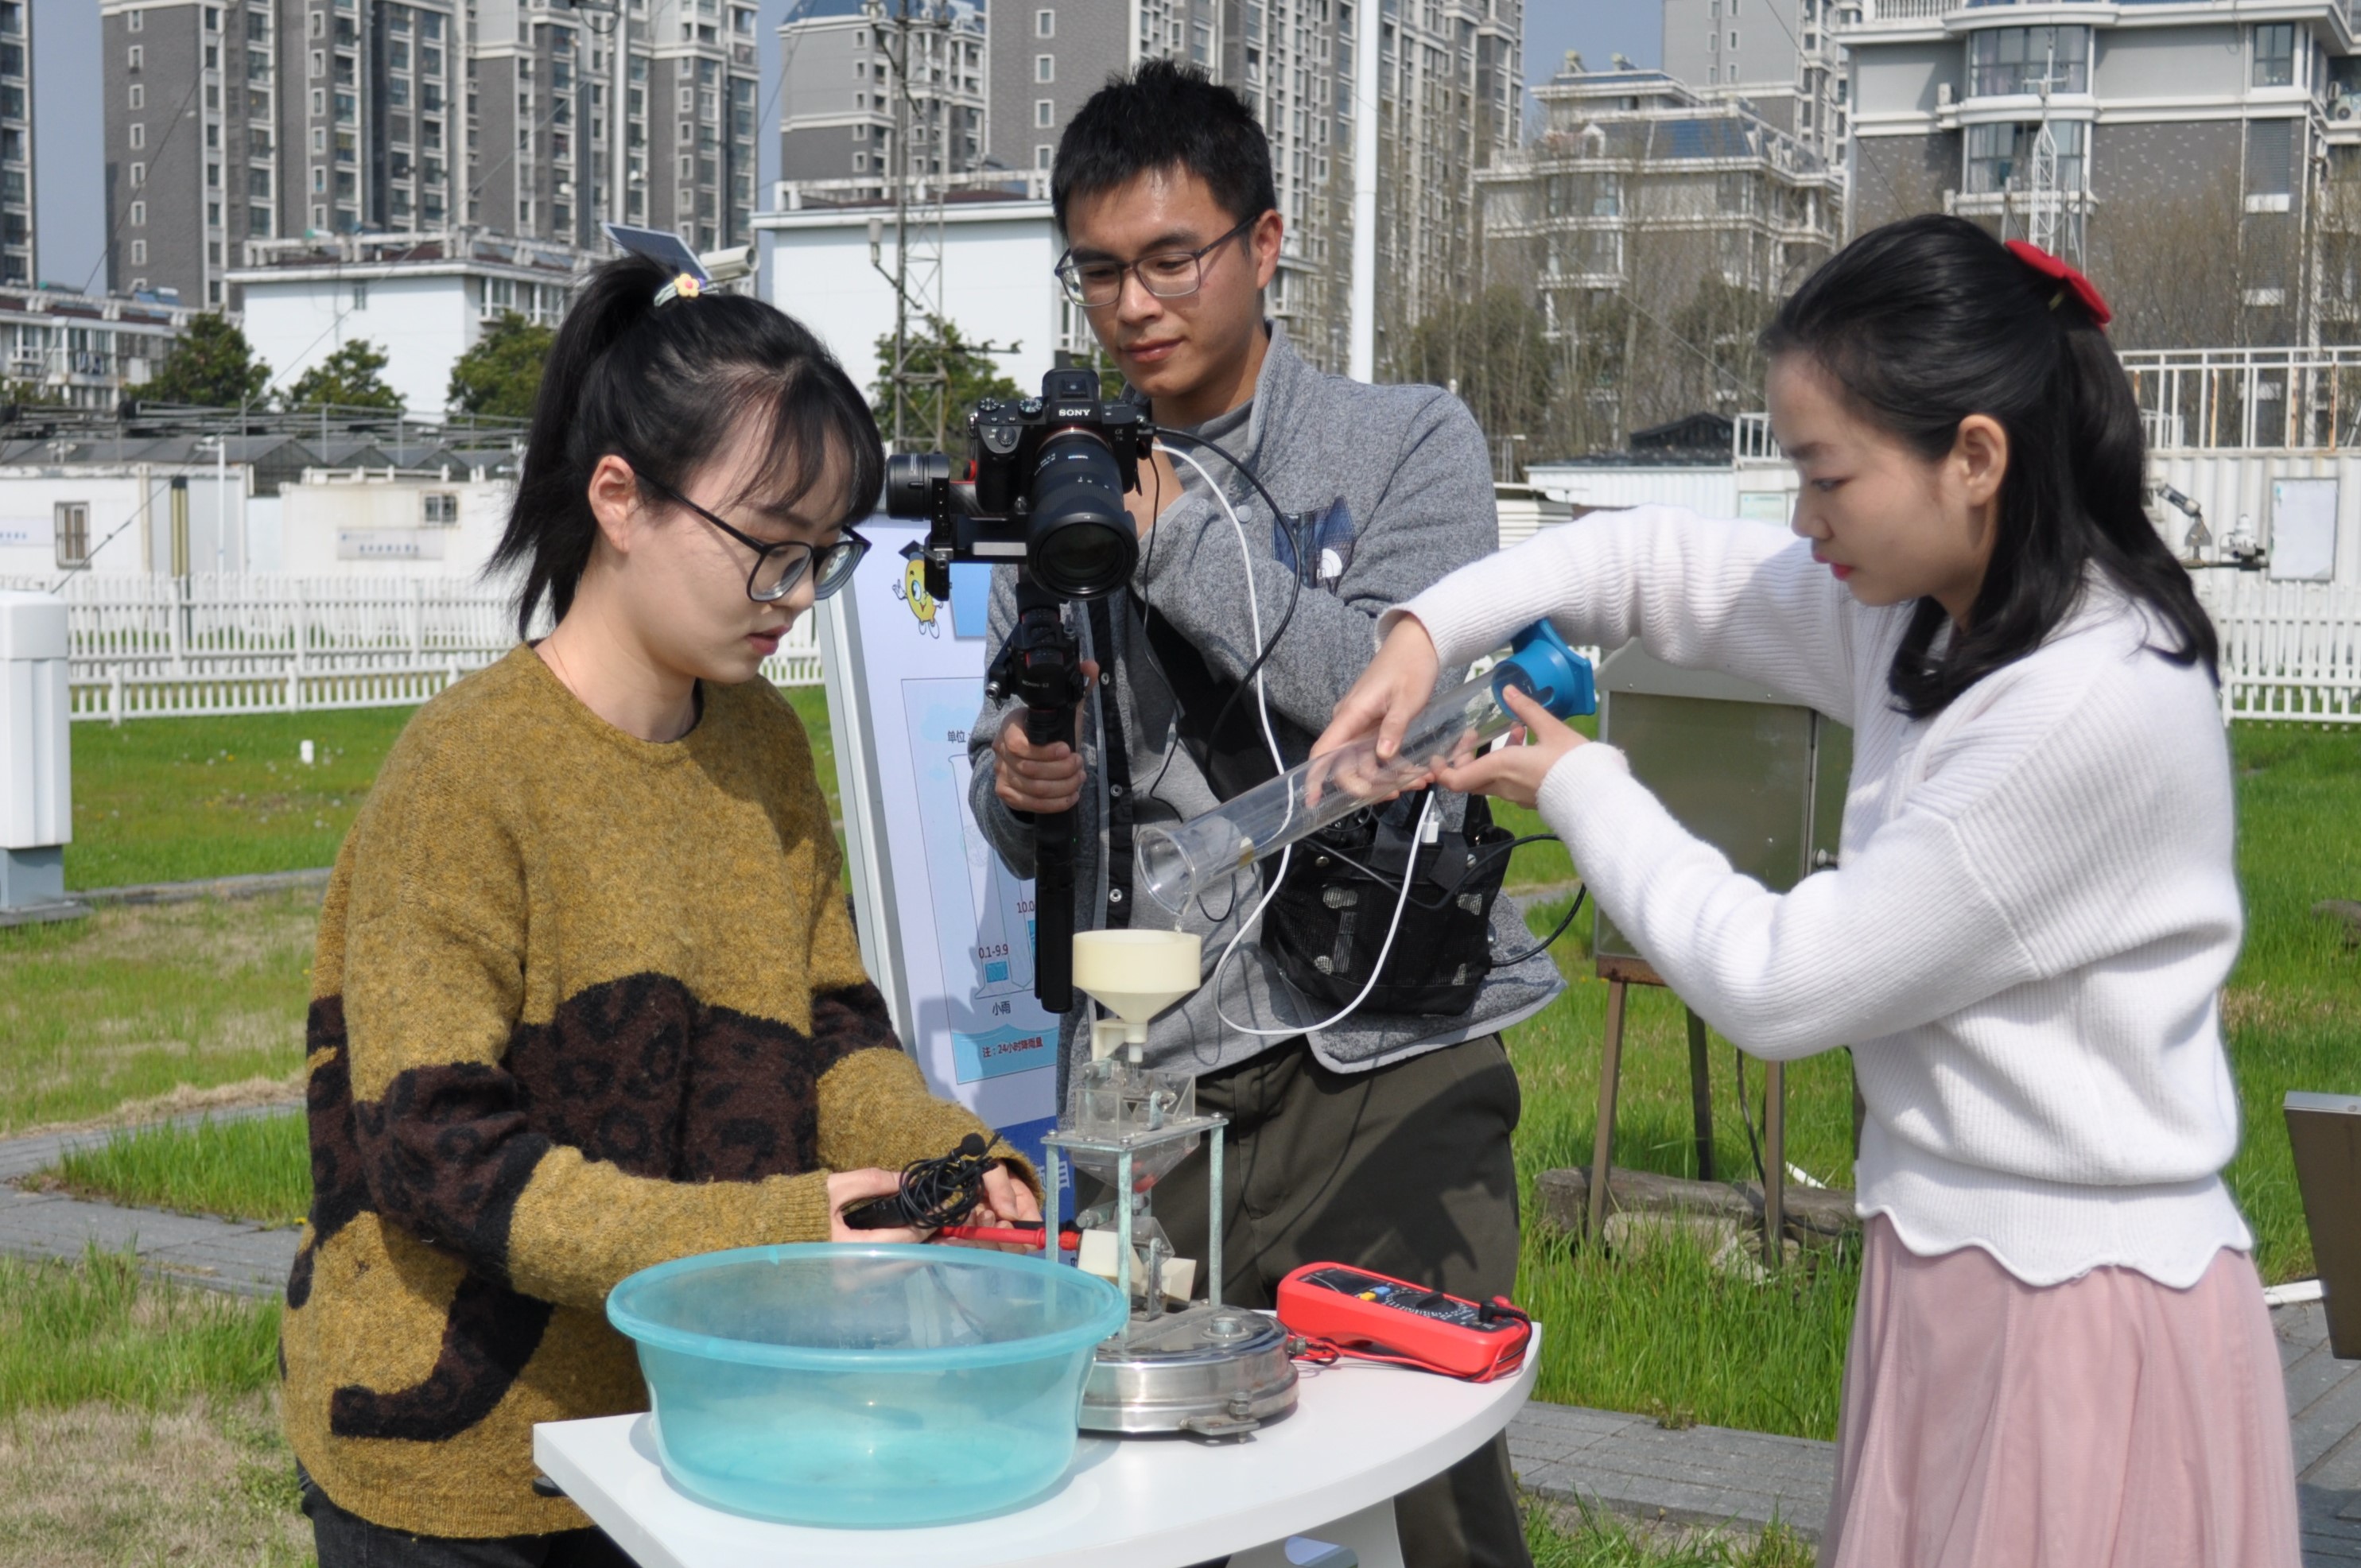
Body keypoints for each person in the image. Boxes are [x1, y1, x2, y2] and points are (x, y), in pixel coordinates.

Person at [1320, 215, 2300, 1566]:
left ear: (1973, 457)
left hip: (2077, 1310)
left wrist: (1583, 787)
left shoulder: (2086, 705)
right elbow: (1636, 565)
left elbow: (1786, 985)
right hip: (1952, 1270)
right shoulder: (1943, 606)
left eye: (1825, 475)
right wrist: (1429, 632)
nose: (1802, 519)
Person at [279, 252, 1040, 1566]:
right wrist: (783, 1234)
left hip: (698, 1426)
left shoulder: (761, 748)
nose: (796, 600)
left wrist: (945, 1165)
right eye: (768, 551)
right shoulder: (466, 775)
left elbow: (833, 1038)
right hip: (461, 1464)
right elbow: (439, 1157)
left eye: (823, 556)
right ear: (619, 500)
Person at [965, 61, 1559, 1568]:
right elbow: (1024, 761)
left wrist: (1167, 547)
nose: (1133, 306)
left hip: (1387, 1061)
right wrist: (1019, 787)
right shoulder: (1069, 478)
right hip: (1156, 1083)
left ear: (1265, 241)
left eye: (1172, 259)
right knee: (1155, 1497)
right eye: (1096, 272)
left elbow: (1404, 702)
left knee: (1426, 1489)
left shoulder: (1405, 441)